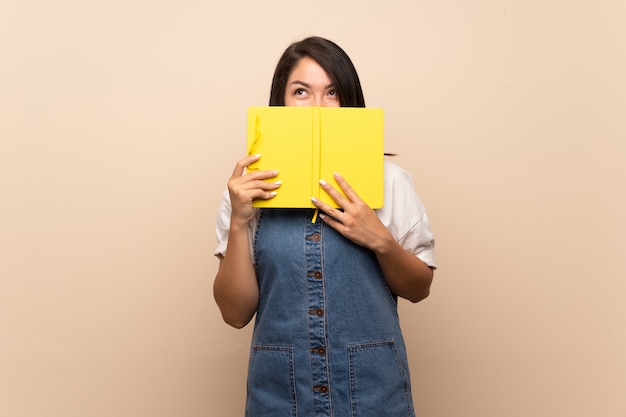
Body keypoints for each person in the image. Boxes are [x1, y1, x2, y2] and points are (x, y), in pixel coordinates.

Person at [213, 36, 436, 417]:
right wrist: (238, 222)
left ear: (348, 102)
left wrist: (380, 241)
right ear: (281, 102)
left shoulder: (391, 181)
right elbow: (235, 314)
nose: (318, 105)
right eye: (302, 91)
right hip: (279, 397)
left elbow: (420, 289)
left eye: (331, 92)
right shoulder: (248, 193)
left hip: (374, 395)